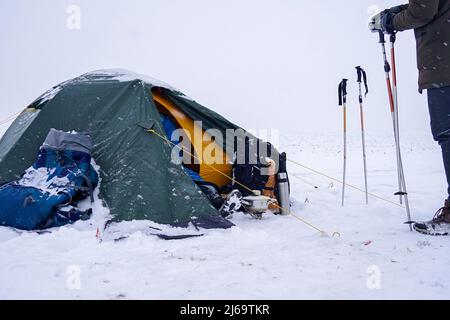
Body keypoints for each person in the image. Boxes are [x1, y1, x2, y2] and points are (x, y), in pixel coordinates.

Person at [375, 1, 450, 235]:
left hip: (443, 67)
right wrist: (395, 13)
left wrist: (390, 22)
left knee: (447, 134)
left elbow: (423, 10)